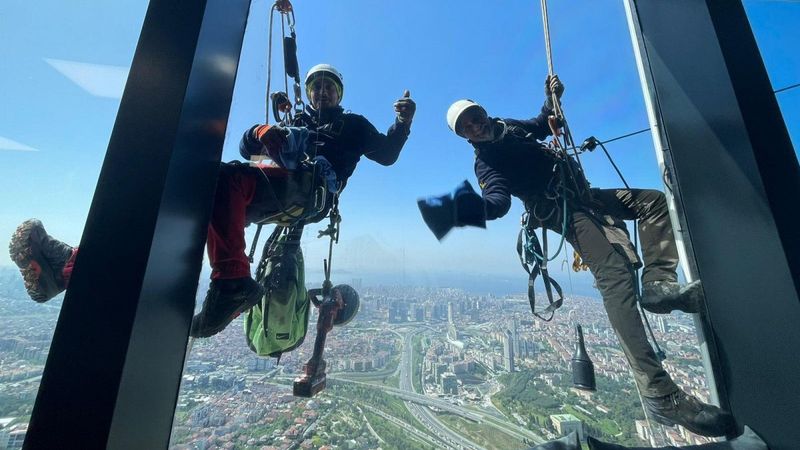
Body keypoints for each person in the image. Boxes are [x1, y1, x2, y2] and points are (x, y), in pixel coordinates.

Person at [9, 63, 415, 340]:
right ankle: (71, 268)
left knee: (223, 180)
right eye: (316, 86)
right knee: (186, 195)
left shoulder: (354, 125)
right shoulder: (299, 123)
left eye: (329, 86)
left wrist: (403, 123)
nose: (322, 90)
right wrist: (262, 131)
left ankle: (232, 281)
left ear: (339, 93)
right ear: (309, 93)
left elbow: (388, 154)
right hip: (282, 188)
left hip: (312, 192)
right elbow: (248, 144)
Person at [438, 75, 734, 437]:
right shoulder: (486, 162)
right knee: (615, 276)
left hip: (583, 194)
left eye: (474, 116)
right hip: (561, 210)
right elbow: (497, 201)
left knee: (652, 203)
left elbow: (541, 125)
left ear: (483, 112)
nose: (475, 125)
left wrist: (551, 100)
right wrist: (470, 208)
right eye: (466, 127)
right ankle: (659, 392)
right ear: (465, 137)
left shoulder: (507, 127)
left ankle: (658, 284)